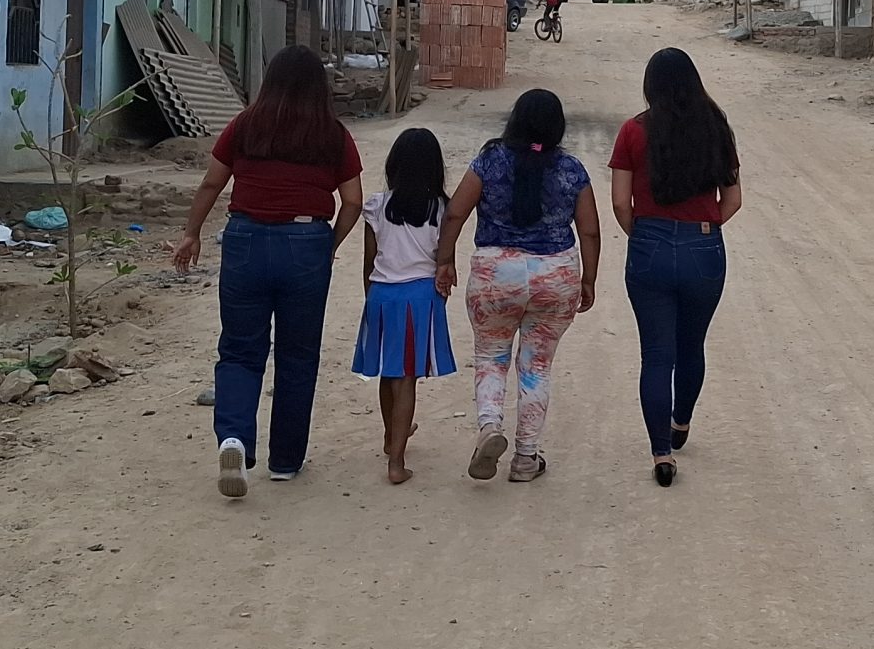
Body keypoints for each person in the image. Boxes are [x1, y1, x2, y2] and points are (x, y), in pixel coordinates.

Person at [175, 45, 363, 499]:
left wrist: (191, 233)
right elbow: (353, 200)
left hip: (245, 240)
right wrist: (327, 245)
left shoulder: (245, 125)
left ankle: (235, 438)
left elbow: (211, 182)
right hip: (306, 243)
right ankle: (284, 462)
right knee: (298, 356)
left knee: (239, 351)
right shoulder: (332, 134)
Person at [434, 89, 600, 483]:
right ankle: (526, 458)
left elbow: (456, 211)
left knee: (491, 358)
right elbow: (590, 230)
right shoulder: (572, 170)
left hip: (496, 273)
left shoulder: (490, 160)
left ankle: (490, 426)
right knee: (536, 367)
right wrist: (587, 278)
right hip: (554, 274)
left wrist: (444, 259)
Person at [608, 48, 740, 487]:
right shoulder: (716, 127)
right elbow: (733, 199)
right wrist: (702, 228)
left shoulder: (633, 131)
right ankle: (680, 423)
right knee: (692, 346)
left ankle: (662, 453)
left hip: (650, 245)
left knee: (656, 355)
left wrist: (644, 236)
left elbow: (619, 203)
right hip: (704, 249)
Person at [352, 128, 457, 485]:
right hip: (419, 297)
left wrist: (371, 294)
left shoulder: (377, 206)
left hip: (382, 294)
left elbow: (369, 260)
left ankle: (389, 436)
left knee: (387, 371)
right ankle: (396, 463)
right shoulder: (442, 209)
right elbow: (444, 260)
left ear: (393, 165)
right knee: (408, 376)